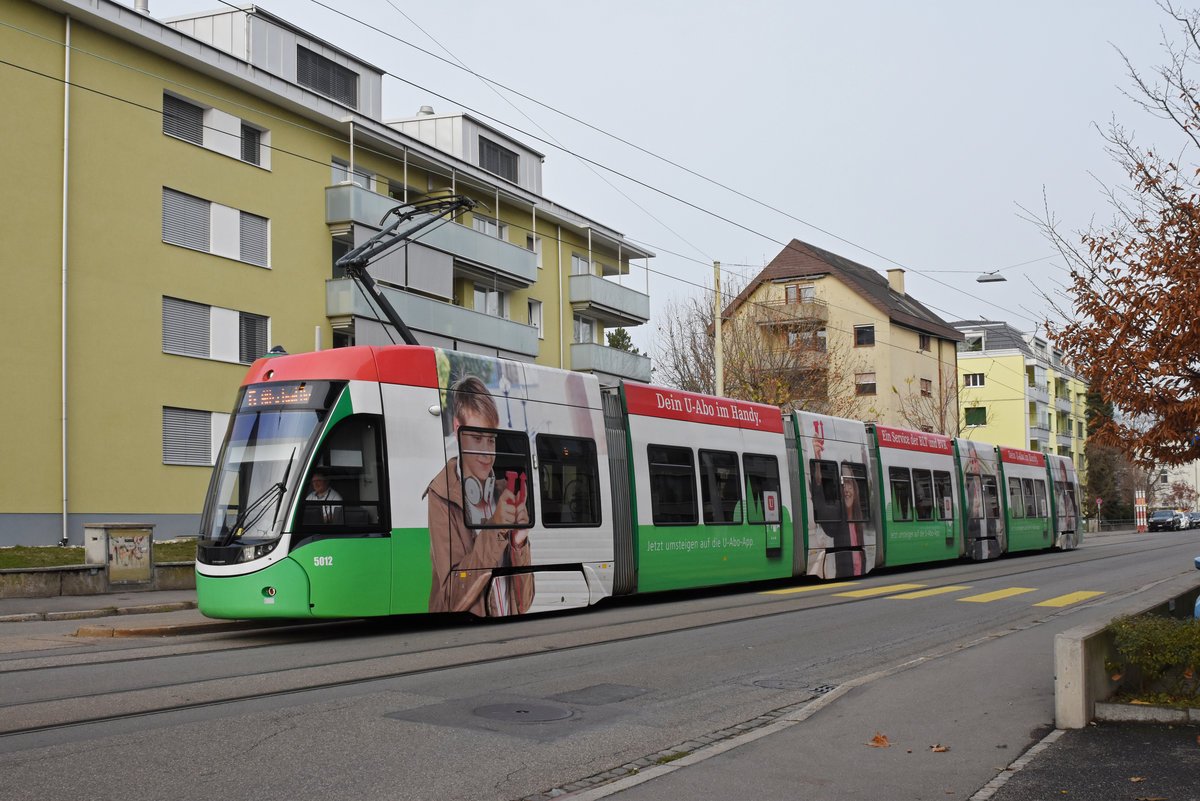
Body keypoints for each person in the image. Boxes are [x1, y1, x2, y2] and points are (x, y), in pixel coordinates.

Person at [424, 375, 534, 616]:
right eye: (476, 438)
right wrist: (496, 527)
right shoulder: (440, 495)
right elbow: (452, 599)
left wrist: (519, 543)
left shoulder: (503, 491)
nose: (486, 453)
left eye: (491, 440)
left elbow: (525, 602)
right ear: (457, 428)